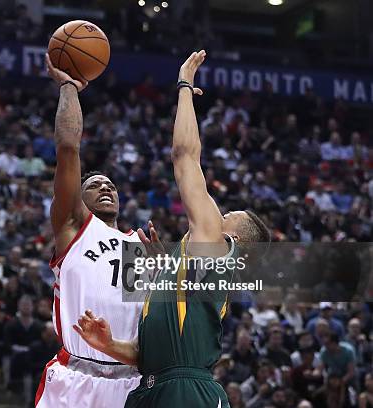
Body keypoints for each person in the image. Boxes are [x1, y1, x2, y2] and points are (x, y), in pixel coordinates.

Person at [74, 51, 271, 408]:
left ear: (236, 240)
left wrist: (183, 86)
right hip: (153, 387)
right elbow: (146, 353)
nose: (217, 215)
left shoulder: (218, 245)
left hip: (186, 390)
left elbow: (185, 157)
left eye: (228, 215)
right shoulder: (191, 267)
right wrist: (108, 345)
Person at [34, 54, 143, 408]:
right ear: (77, 197)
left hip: (132, 381)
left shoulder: (137, 245)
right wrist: (69, 87)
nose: (106, 187)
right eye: (95, 184)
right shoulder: (73, 228)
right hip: (76, 378)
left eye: (111, 185)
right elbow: (68, 147)